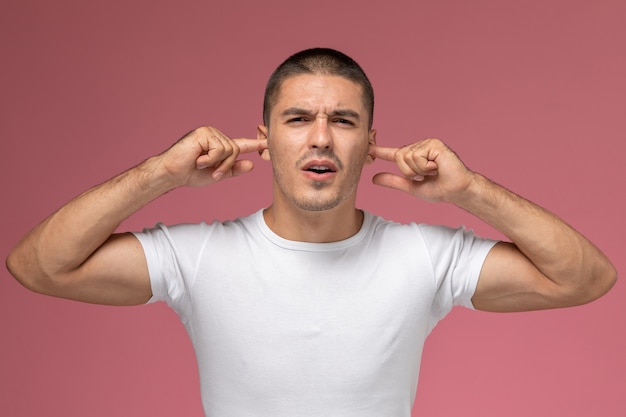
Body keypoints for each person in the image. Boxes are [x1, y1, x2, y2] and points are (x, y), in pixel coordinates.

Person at [6, 48, 617, 416]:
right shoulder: (196, 256)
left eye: (343, 121)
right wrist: (159, 175)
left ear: (371, 143)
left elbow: (587, 278)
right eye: (298, 119)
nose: (320, 137)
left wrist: (470, 190)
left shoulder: (425, 257)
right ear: (266, 139)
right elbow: (39, 266)